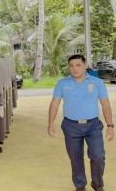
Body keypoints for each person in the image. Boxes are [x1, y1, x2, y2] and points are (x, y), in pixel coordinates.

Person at [48, 54, 114, 191]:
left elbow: (105, 105)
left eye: (78, 65)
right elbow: (55, 103)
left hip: (93, 126)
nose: (74, 69)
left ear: (85, 65)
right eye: (71, 65)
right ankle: (80, 185)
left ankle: (97, 183)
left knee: (98, 156)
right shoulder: (62, 83)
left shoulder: (97, 83)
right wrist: (50, 123)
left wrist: (110, 125)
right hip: (71, 126)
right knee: (75, 158)